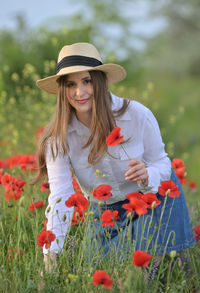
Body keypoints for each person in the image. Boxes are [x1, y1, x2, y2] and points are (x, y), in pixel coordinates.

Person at [34, 42, 195, 272]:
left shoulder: (137, 115)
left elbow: (162, 163)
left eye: (86, 81)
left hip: (151, 199)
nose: (79, 93)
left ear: (99, 81)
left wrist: (148, 174)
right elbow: (60, 197)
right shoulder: (58, 139)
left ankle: (179, 272)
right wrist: (51, 256)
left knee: (142, 276)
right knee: (98, 276)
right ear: (62, 90)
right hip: (106, 214)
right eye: (71, 84)